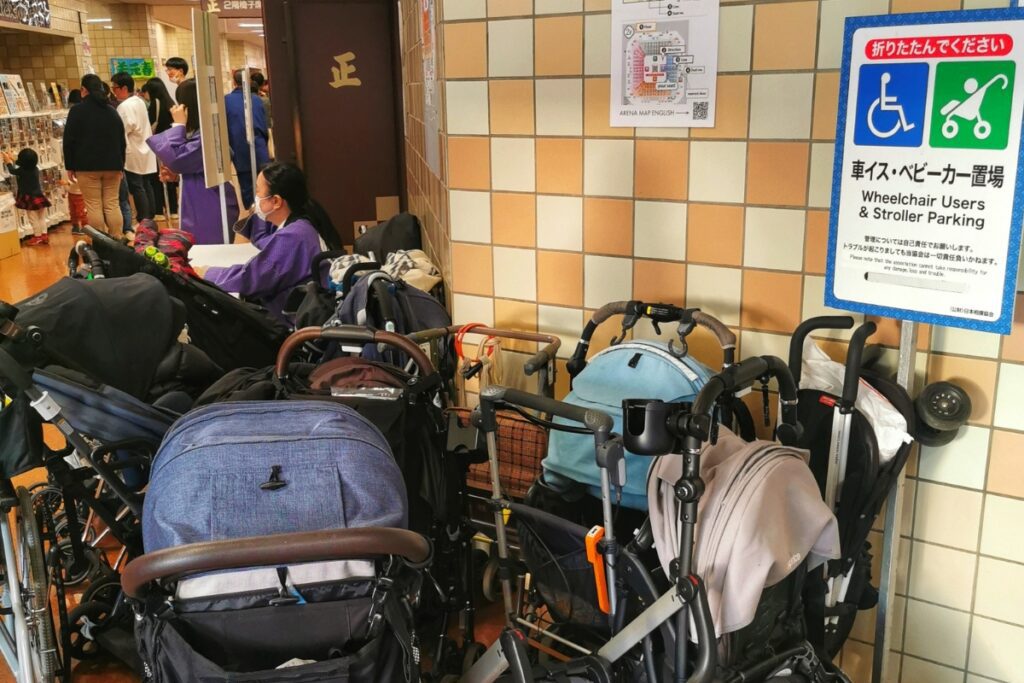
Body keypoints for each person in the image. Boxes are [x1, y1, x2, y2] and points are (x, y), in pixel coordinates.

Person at [200, 162, 340, 322]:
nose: (256, 198)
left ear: (276, 201)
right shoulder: (298, 226)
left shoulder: (294, 235)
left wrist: (207, 273)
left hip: (296, 322)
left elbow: (253, 278)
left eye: (258, 191)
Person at [147, 79, 240, 245]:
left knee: (208, 256)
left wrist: (178, 125)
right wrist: (177, 177)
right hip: (203, 201)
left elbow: (177, 159)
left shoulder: (207, 135)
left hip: (208, 207)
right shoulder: (203, 132)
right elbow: (191, 165)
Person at [63, 74, 126, 237]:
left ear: (84, 90)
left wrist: (70, 165)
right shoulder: (112, 111)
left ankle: (101, 243)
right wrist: (121, 165)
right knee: (112, 204)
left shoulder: (77, 111)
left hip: (86, 166)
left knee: (93, 205)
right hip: (113, 165)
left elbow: (69, 140)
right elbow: (121, 141)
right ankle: (117, 239)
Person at [111, 72, 157, 224]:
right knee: (146, 184)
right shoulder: (139, 101)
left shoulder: (125, 106)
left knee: (137, 186)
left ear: (124, 88)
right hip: (144, 147)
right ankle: (150, 215)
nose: (113, 91)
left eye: (115, 88)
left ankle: (144, 219)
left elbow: (123, 129)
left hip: (133, 150)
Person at [225, 68, 270, 209]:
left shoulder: (226, 101)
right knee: (265, 184)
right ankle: (265, 216)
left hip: (239, 148)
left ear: (233, 82)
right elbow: (263, 125)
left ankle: (252, 218)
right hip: (259, 146)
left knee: (246, 186)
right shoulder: (257, 100)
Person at [141, 78, 178, 219]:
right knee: (170, 177)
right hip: (171, 144)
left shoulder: (155, 103)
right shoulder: (170, 102)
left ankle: (159, 211)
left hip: (158, 145)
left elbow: (151, 124)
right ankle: (174, 209)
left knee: (158, 178)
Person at [3, 148, 52, 246]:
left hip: (30, 199)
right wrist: (13, 159)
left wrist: (8, 162)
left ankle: (37, 237)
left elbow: (12, 171)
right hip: (39, 197)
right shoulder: (35, 168)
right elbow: (24, 164)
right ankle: (44, 235)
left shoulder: (22, 171)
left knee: (33, 219)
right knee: (41, 217)